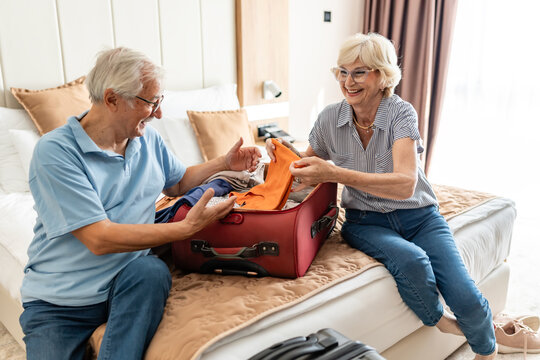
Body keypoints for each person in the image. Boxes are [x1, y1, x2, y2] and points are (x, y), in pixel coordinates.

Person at [19, 47, 261, 360]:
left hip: (126, 280)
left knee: (150, 270)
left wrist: (223, 162)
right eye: (150, 103)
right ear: (111, 99)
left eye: (160, 101)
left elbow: (177, 183)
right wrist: (184, 228)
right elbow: (99, 239)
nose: (159, 113)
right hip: (61, 304)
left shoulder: (147, 138)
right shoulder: (55, 152)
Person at [266, 32, 497, 359]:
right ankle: (439, 320)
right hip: (366, 222)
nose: (348, 81)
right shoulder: (330, 118)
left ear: (382, 76)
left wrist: (335, 173)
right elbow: (302, 175)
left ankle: (488, 350)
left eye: (359, 72)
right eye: (342, 72)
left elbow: (405, 183)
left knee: (466, 297)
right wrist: (277, 160)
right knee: (413, 260)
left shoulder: (401, 113)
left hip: (420, 217)